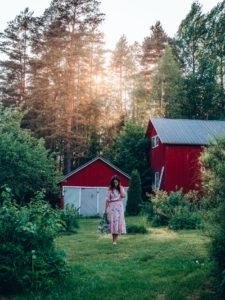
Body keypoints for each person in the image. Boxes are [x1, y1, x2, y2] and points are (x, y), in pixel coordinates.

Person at [104, 175, 127, 245]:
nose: (115, 184)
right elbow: (107, 200)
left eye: (116, 182)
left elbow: (123, 196)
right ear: (112, 182)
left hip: (119, 207)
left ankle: (115, 241)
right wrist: (105, 210)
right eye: (114, 182)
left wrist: (120, 188)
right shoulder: (109, 189)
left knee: (118, 222)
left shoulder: (121, 188)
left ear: (118, 182)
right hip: (112, 207)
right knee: (113, 223)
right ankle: (113, 240)